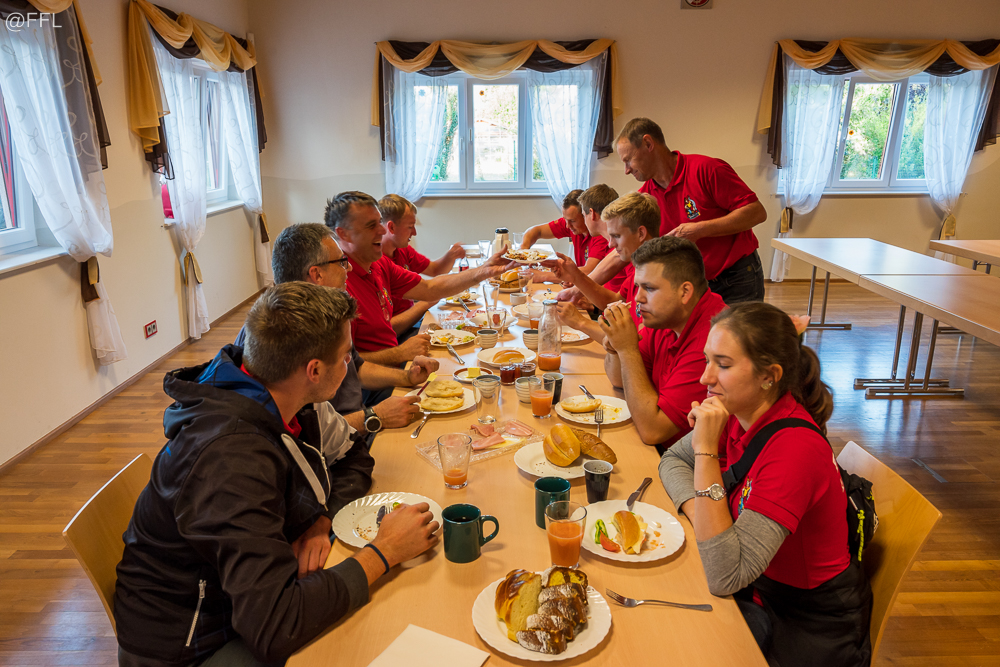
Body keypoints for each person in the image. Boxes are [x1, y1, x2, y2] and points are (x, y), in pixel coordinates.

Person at [115, 283, 440, 667]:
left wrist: (321, 518)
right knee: (367, 640)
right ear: (314, 370)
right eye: (346, 356)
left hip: (241, 602)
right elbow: (274, 626)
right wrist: (383, 552)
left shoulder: (285, 393)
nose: (350, 364)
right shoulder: (230, 462)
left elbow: (352, 452)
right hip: (192, 645)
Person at [659, 302, 872, 666]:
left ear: (769, 376)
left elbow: (725, 575)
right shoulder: (738, 410)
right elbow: (672, 461)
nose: (705, 378)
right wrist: (705, 516)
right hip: (757, 589)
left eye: (723, 365)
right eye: (707, 360)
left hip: (805, 622)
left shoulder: (794, 450)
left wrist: (706, 451)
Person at [235, 223, 435, 439]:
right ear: (317, 274)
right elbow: (301, 437)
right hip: (345, 437)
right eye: (341, 262)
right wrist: (375, 416)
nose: (349, 269)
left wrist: (407, 377)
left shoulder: (327, 315)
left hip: (356, 424)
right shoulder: (281, 333)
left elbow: (357, 368)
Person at [562, 117, 767, 305]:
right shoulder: (646, 196)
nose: (626, 170)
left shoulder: (706, 169)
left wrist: (700, 230)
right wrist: (578, 289)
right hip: (696, 282)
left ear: (648, 144)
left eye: (628, 160)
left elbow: (756, 212)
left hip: (737, 276)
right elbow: (620, 252)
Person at [325, 191, 512, 367]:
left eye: (379, 223)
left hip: (396, 360)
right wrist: (400, 355)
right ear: (343, 234)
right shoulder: (337, 285)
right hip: (379, 377)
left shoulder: (379, 263)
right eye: (371, 225)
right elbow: (346, 365)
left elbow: (430, 288)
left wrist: (484, 271)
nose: (382, 231)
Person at [601, 237, 726, 453]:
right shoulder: (665, 315)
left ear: (685, 292)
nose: (638, 298)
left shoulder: (712, 340)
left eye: (649, 288)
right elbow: (619, 381)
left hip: (693, 460)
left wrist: (627, 350)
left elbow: (653, 431)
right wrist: (615, 346)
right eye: (637, 286)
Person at [541, 192, 660, 343]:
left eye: (616, 236)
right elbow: (616, 300)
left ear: (641, 233)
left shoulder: (656, 280)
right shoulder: (639, 268)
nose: (610, 244)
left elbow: (636, 344)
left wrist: (581, 322)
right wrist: (576, 277)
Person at [378, 194, 466, 338]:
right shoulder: (376, 263)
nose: (414, 232)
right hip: (401, 333)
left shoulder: (402, 249)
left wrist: (450, 256)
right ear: (391, 227)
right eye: (410, 227)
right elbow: (386, 331)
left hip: (413, 321)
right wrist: (427, 300)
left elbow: (435, 270)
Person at [519, 189, 611, 284]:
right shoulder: (571, 225)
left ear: (585, 215)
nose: (567, 225)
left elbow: (589, 272)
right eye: (565, 219)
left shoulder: (600, 235)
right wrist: (523, 253)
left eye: (572, 221)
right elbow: (535, 231)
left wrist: (543, 276)